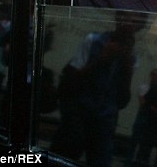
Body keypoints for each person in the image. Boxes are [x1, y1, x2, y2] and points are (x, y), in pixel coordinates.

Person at [51, 22, 136, 167]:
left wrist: (127, 71)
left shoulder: (130, 57)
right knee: (64, 155)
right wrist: (101, 60)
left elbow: (122, 101)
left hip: (104, 124)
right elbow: (71, 81)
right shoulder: (93, 41)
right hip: (78, 117)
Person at [126, 68, 157, 166]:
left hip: (151, 119)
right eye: (154, 74)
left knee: (146, 144)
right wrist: (154, 108)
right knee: (134, 141)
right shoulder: (144, 87)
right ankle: (128, 163)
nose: (155, 77)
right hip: (142, 116)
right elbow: (143, 103)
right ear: (151, 75)